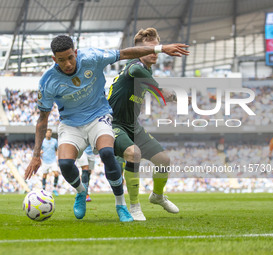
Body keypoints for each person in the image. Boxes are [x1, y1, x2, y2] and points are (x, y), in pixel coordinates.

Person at [24, 35, 189, 222]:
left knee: (109, 154)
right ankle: (81, 192)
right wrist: (36, 155)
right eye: (61, 60)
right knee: (65, 164)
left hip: (99, 117)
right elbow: (42, 118)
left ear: (76, 53)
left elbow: (125, 53)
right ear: (54, 59)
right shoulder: (48, 81)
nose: (68, 63)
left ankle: (122, 205)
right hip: (71, 124)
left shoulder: (92, 57)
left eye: (70, 57)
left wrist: (160, 48)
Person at [108, 28, 184, 221]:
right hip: (113, 124)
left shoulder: (146, 71)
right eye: (150, 49)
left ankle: (157, 196)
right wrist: (160, 89)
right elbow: (135, 70)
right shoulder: (134, 66)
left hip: (133, 126)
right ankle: (134, 206)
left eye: (157, 48)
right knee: (134, 154)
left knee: (163, 160)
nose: (154, 52)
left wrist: (174, 96)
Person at [40, 128, 59, 196]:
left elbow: (57, 149)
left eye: (50, 132)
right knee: (44, 175)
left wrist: (57, 157)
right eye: (48, 132)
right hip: (45, 161)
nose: (49, 134)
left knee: (56, 173)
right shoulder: (42, 141)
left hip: (53, 160)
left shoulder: (54, 141)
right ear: (45, 133)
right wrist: (40, 152)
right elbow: (39, 150)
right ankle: (43, 189)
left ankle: (54, 188)